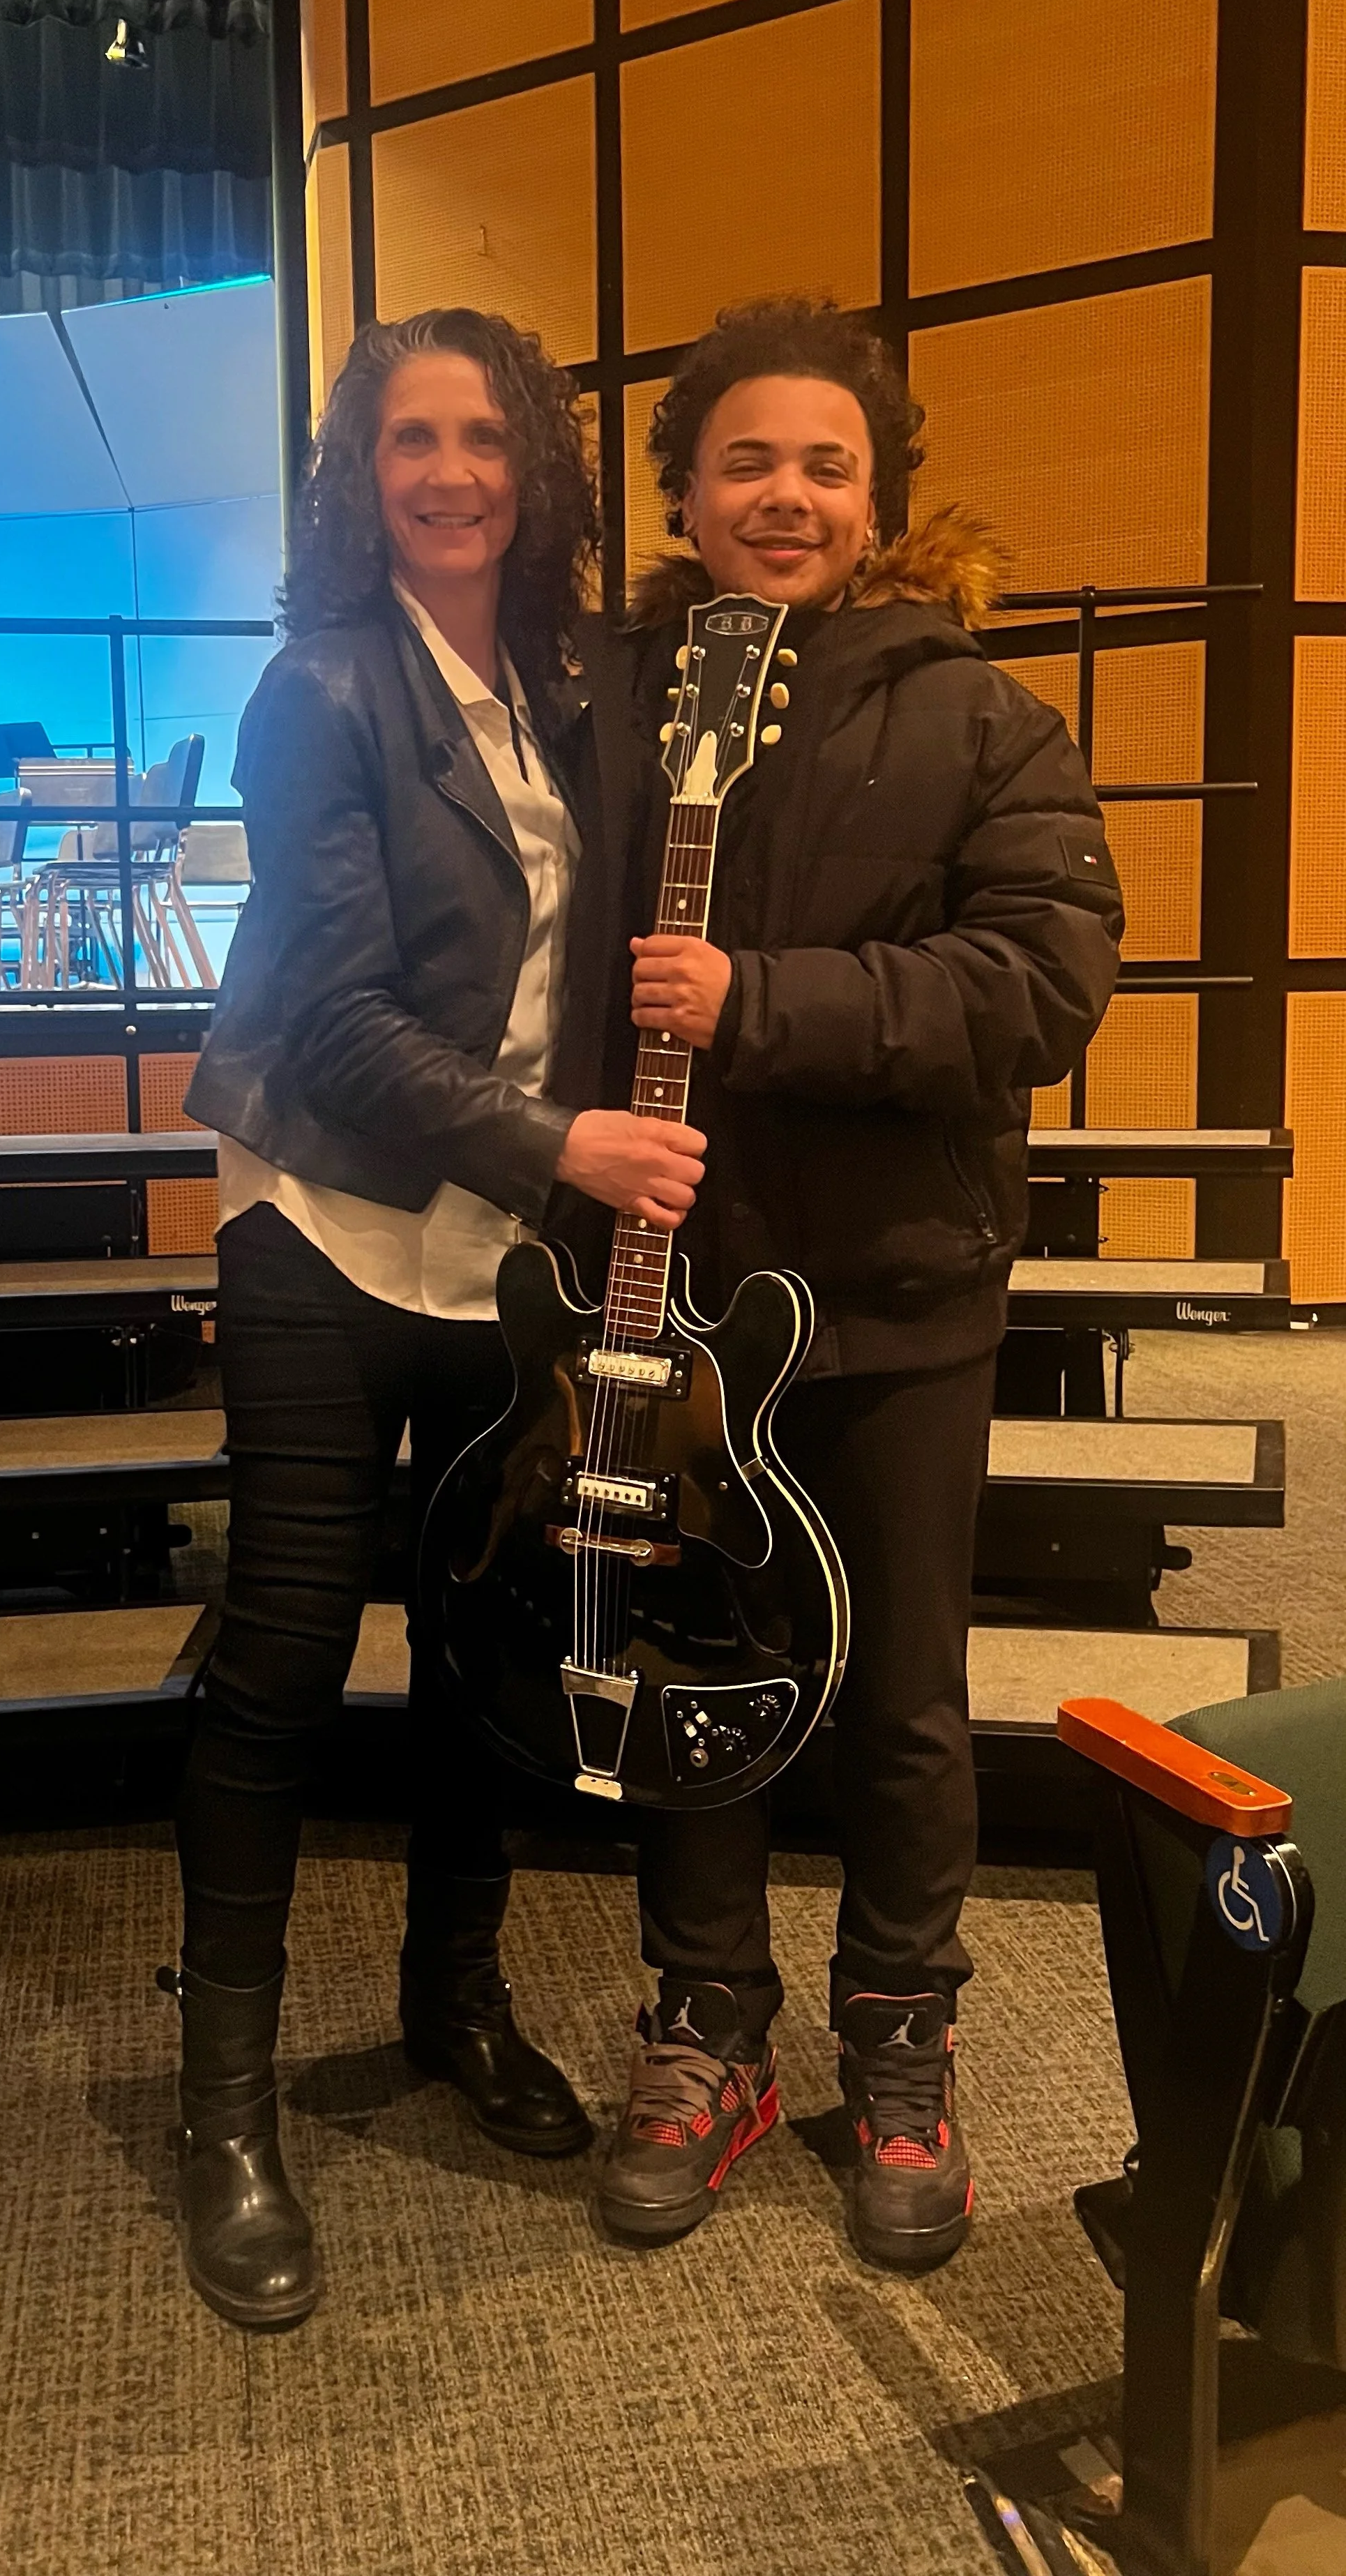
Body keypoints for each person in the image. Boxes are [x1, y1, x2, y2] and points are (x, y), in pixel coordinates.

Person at [174, 306, 706, 2330]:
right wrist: (558, 1144)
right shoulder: (315, 689)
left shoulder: (569, 682)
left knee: (485, 1648)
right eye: (412, 437)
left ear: (537, 469)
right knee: (291, 1656)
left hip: (498, 1252)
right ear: (357, 471)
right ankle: (228, 2108)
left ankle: (451, 2007)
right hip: (324, 1215)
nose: (452, 470)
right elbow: (330, 1012)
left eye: (486, 436)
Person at [587, 295, 1122, 2270]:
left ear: (879, 495)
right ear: (685, 490)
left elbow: (1048, 980)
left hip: (892, 1286)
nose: (784, 496)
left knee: (900, 1694)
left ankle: (898, 2043)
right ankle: (706, 2026)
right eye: (744, 460)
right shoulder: (601, 690)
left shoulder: (978, 710)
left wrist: (767, 1005)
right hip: (662, 1290)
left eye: (824, 464)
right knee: (696, 1676)